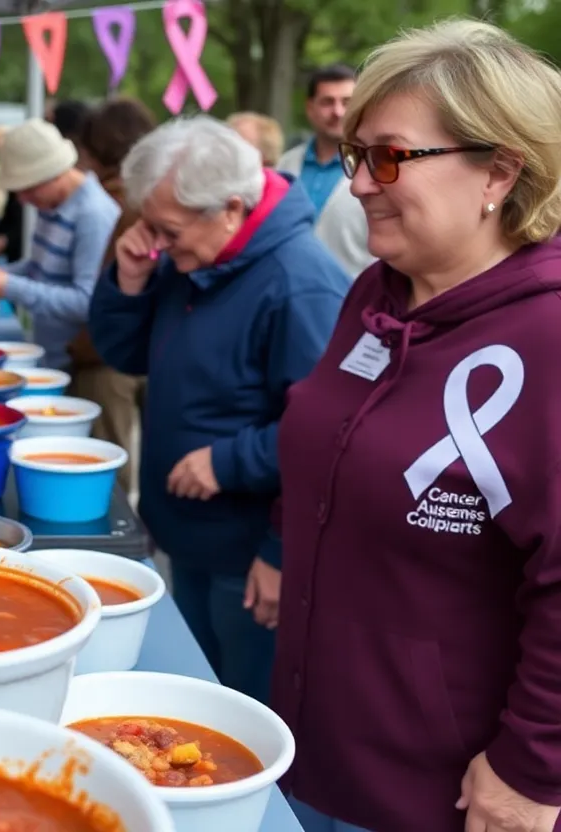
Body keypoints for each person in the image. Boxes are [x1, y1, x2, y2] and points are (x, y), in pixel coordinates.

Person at [272, 21, 561, 832]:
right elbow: (327, 442)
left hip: (444, 797)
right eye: (354, 154)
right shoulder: (376, 294)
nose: (358, 183)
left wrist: (532, 772)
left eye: (389, 156)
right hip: (316, 751)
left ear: (499, 171)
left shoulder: (547, 338)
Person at [89, 116, 349, 705]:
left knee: (234, 706)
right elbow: (127, 353)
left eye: (167, 229)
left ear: (229, 209)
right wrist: (129, 282)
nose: (155, 241)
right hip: (187, 534)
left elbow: (330, 433)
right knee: (191, 691)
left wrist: (232, 468)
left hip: (250, 553)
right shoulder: (198, 258)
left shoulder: (299, 285)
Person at [0, 119, 119, 373]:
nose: (23, 199)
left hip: (78, 362)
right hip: (51, 353)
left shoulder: (93, 214)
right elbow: (39, 267)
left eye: (29, 189)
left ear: (55, 173)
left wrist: (9, 286)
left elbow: (86, 302)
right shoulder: (52, 203)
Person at [69, 97, 157, 495]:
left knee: (112, 467)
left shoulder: (114, 201)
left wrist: (83, 346)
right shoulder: (148, 193)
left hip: (116, 352)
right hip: (154, 346)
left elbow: (102, 287)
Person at [277, 65, 373, 279]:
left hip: (353, 298)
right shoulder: (285, 165)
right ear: (310, 108)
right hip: (288, 295)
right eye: (327, 102)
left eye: (346, 102)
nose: (337, 112)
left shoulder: (376, 168)